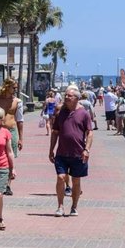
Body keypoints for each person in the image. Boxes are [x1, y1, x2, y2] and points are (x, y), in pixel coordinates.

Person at [49, 85, 93, 217]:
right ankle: (60, 206)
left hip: (78, 153)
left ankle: (74, 207)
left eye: (69, 96)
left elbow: (89, 133)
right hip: (62, 153)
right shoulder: (60, 113)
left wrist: (87, 150)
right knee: (60, 177)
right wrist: (51, 150)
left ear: (77, 98)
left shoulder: (84, 113)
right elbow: (55, 132)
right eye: (66, 95)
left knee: (76, 181)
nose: (66, 97)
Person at [0, 78, 23, 196]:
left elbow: (20, 120)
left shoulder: (17, 101)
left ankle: (8, 185)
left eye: (16, 88)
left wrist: (21, 138)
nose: (15, 90)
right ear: (7, 87)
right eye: (13, 87)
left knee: (10, 157)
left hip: (12, 131)